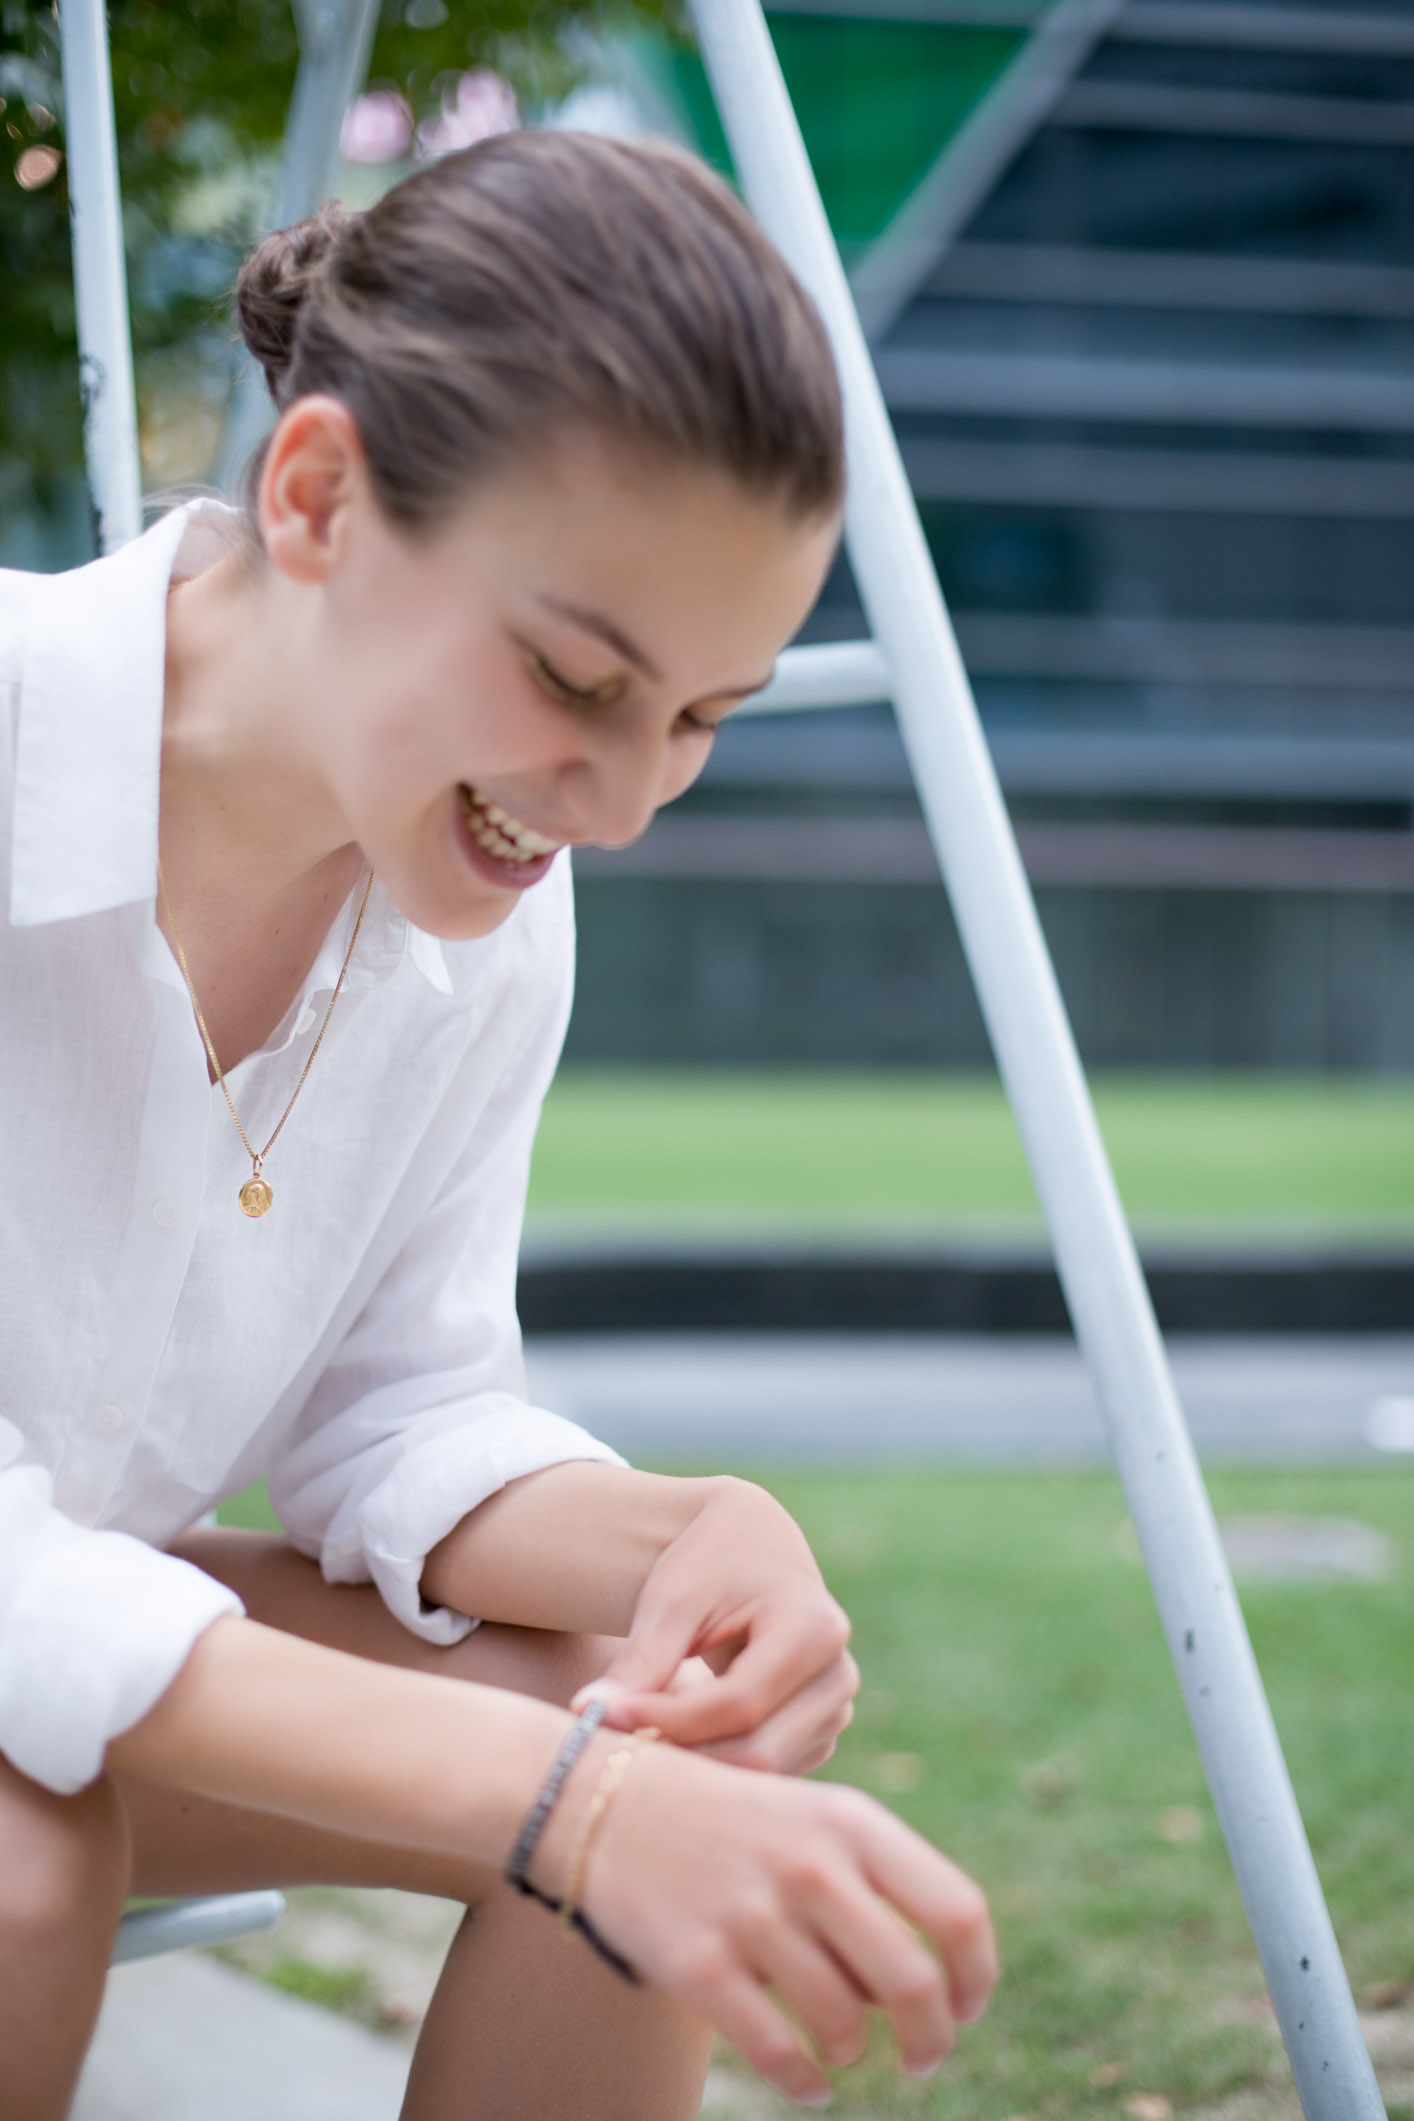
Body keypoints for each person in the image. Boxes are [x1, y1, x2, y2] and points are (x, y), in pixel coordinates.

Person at [0, 130, 997, 2119]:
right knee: (24, 1871)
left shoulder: (479, 894)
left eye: (698, 717)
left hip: (66, 1641)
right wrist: (563, 1801)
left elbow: (397, 1412)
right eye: (573, 675)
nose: (619, 805)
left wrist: (686, 1531)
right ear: (316, 497)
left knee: (665, 1738)